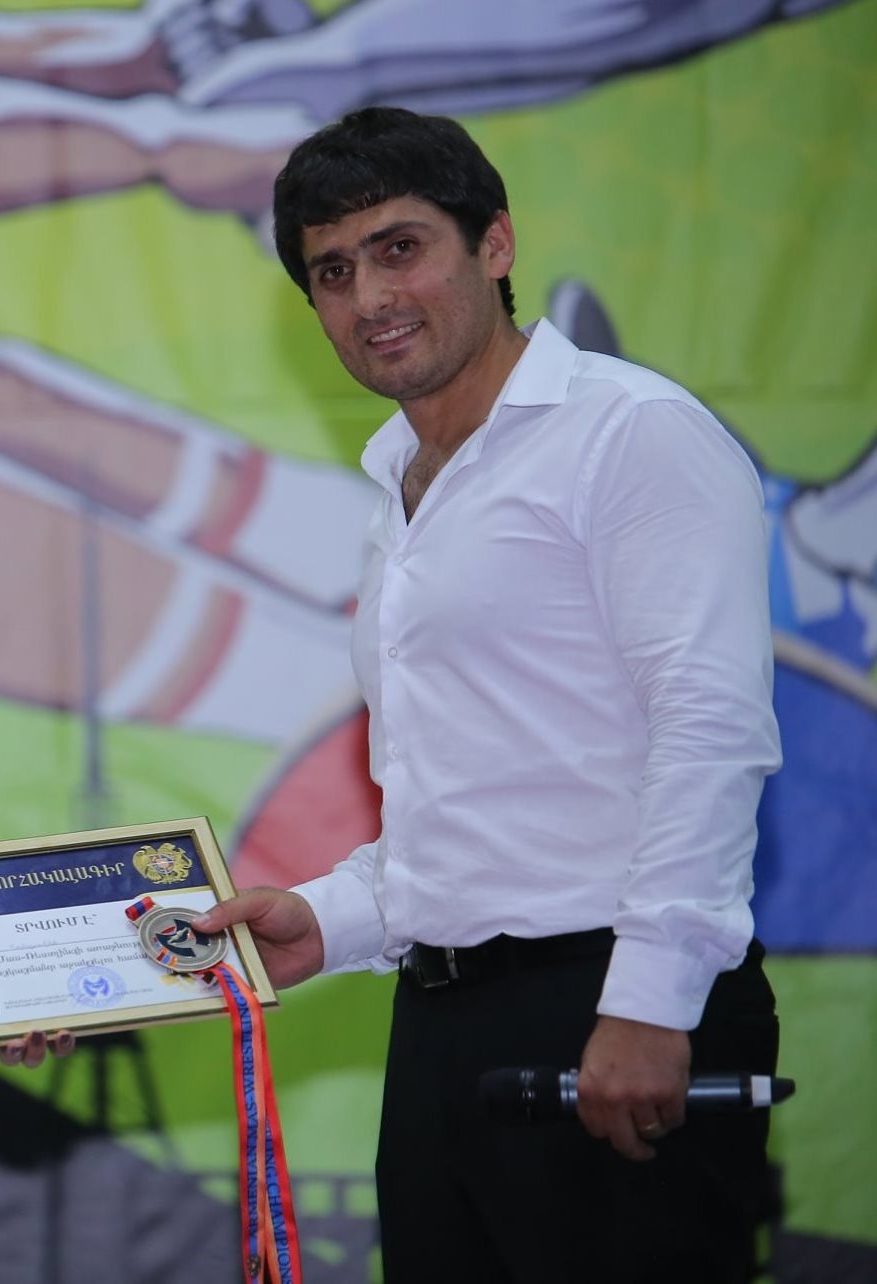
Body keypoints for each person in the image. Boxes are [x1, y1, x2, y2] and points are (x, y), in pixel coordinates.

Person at [192, 106, 783, 1282]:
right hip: (440, 1027)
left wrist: (650, 1002)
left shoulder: (629, 433)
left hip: (611, 1006)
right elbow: (466, 803)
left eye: (398, 248)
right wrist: (328, 919)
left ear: (495, 243)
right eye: (331, 270)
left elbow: (708, 730)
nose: (368, 297)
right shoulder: (399, 481)